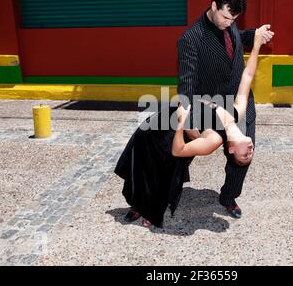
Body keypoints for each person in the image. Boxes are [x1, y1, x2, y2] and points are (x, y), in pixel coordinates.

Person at [114, 27, 272, 228]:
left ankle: (145, 206)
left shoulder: (214, 139)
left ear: (232, 149)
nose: (250, 152)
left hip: (170, 134)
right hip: (164, 120)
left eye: (244, 156)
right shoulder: (237, 112)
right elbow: (248, 75)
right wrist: (257, 44)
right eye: (250, 155)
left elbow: (178, 149)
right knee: (144, 162)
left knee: (155, 170)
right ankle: (140, 205)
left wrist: (181, 124)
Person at [177, 0, 274, 219]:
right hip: (208, 106)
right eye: (226, 18)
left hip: (240, 102)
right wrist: (188, 118)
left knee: (243, 154)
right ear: (213, 6)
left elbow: (236, 38)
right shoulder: (192, 38)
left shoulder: (228, 24)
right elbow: (187, 80)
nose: (229, 23)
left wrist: (256, 35)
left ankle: (229, 196)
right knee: (183, 154)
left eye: (234, 19)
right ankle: (167, 192)